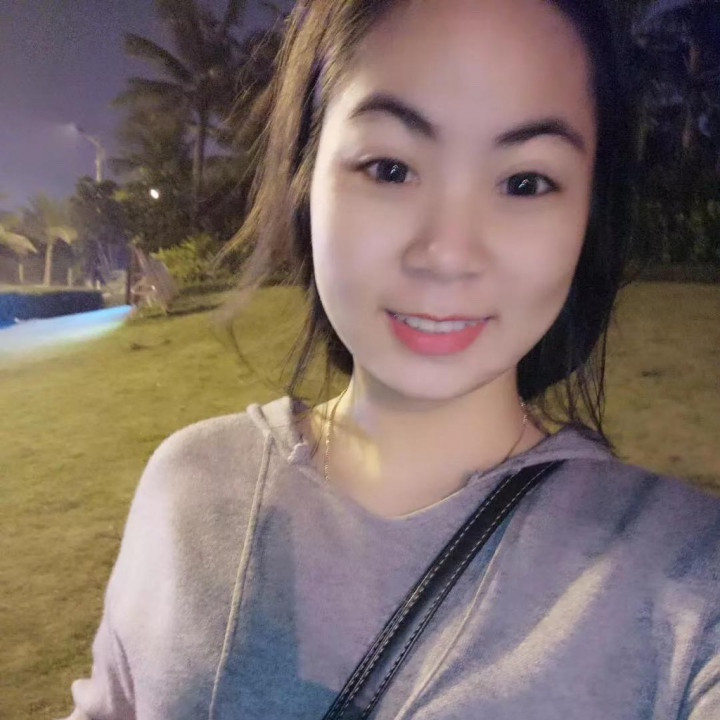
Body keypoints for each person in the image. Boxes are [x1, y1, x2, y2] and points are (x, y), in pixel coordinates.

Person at [63, 1, 720, 718]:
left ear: (590, 213)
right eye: (390, 168)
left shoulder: (686, 579)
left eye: (525, 182)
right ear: (304, 177)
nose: (447, 253)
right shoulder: (189, 489)